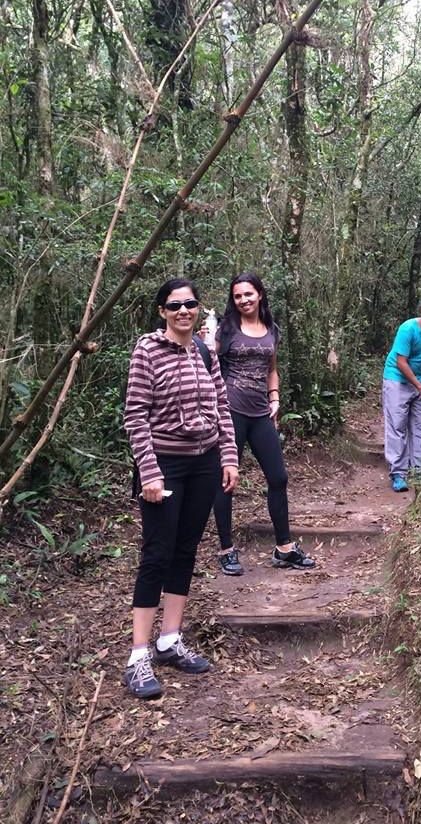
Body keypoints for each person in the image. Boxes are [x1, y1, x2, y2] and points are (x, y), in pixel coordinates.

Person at [123, 279, 239, 700]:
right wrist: (149, 472)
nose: (184, 311)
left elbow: (221, 406)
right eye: (175, 305)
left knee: (186, 549)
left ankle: (169, 640)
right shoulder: (148, 351)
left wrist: (229, 456)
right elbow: (136, 415)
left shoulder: (205, 351)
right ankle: (138, 656)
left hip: (204, 463)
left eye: (190, 303)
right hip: (164, 465)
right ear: (162, 311)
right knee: (157, 553)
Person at [211, 272, 315, 574]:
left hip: (260, 412)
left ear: (260, 294)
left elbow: (272, 368)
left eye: (248, 294)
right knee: (226, 480)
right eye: (237, 296)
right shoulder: (225, 329)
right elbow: (206, 361)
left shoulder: (272, 329)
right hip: (229, 409)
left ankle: (284, 548)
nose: (243, 300)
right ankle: (226, 549)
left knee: (278, 477)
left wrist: (275, 398)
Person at [382, 296, 421, 492]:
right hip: (396, 379)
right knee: (397, 427)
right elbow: (401, 362)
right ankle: (398, 473)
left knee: (420, 426)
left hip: (419, 379)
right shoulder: (408, 329)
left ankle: (418, 470)